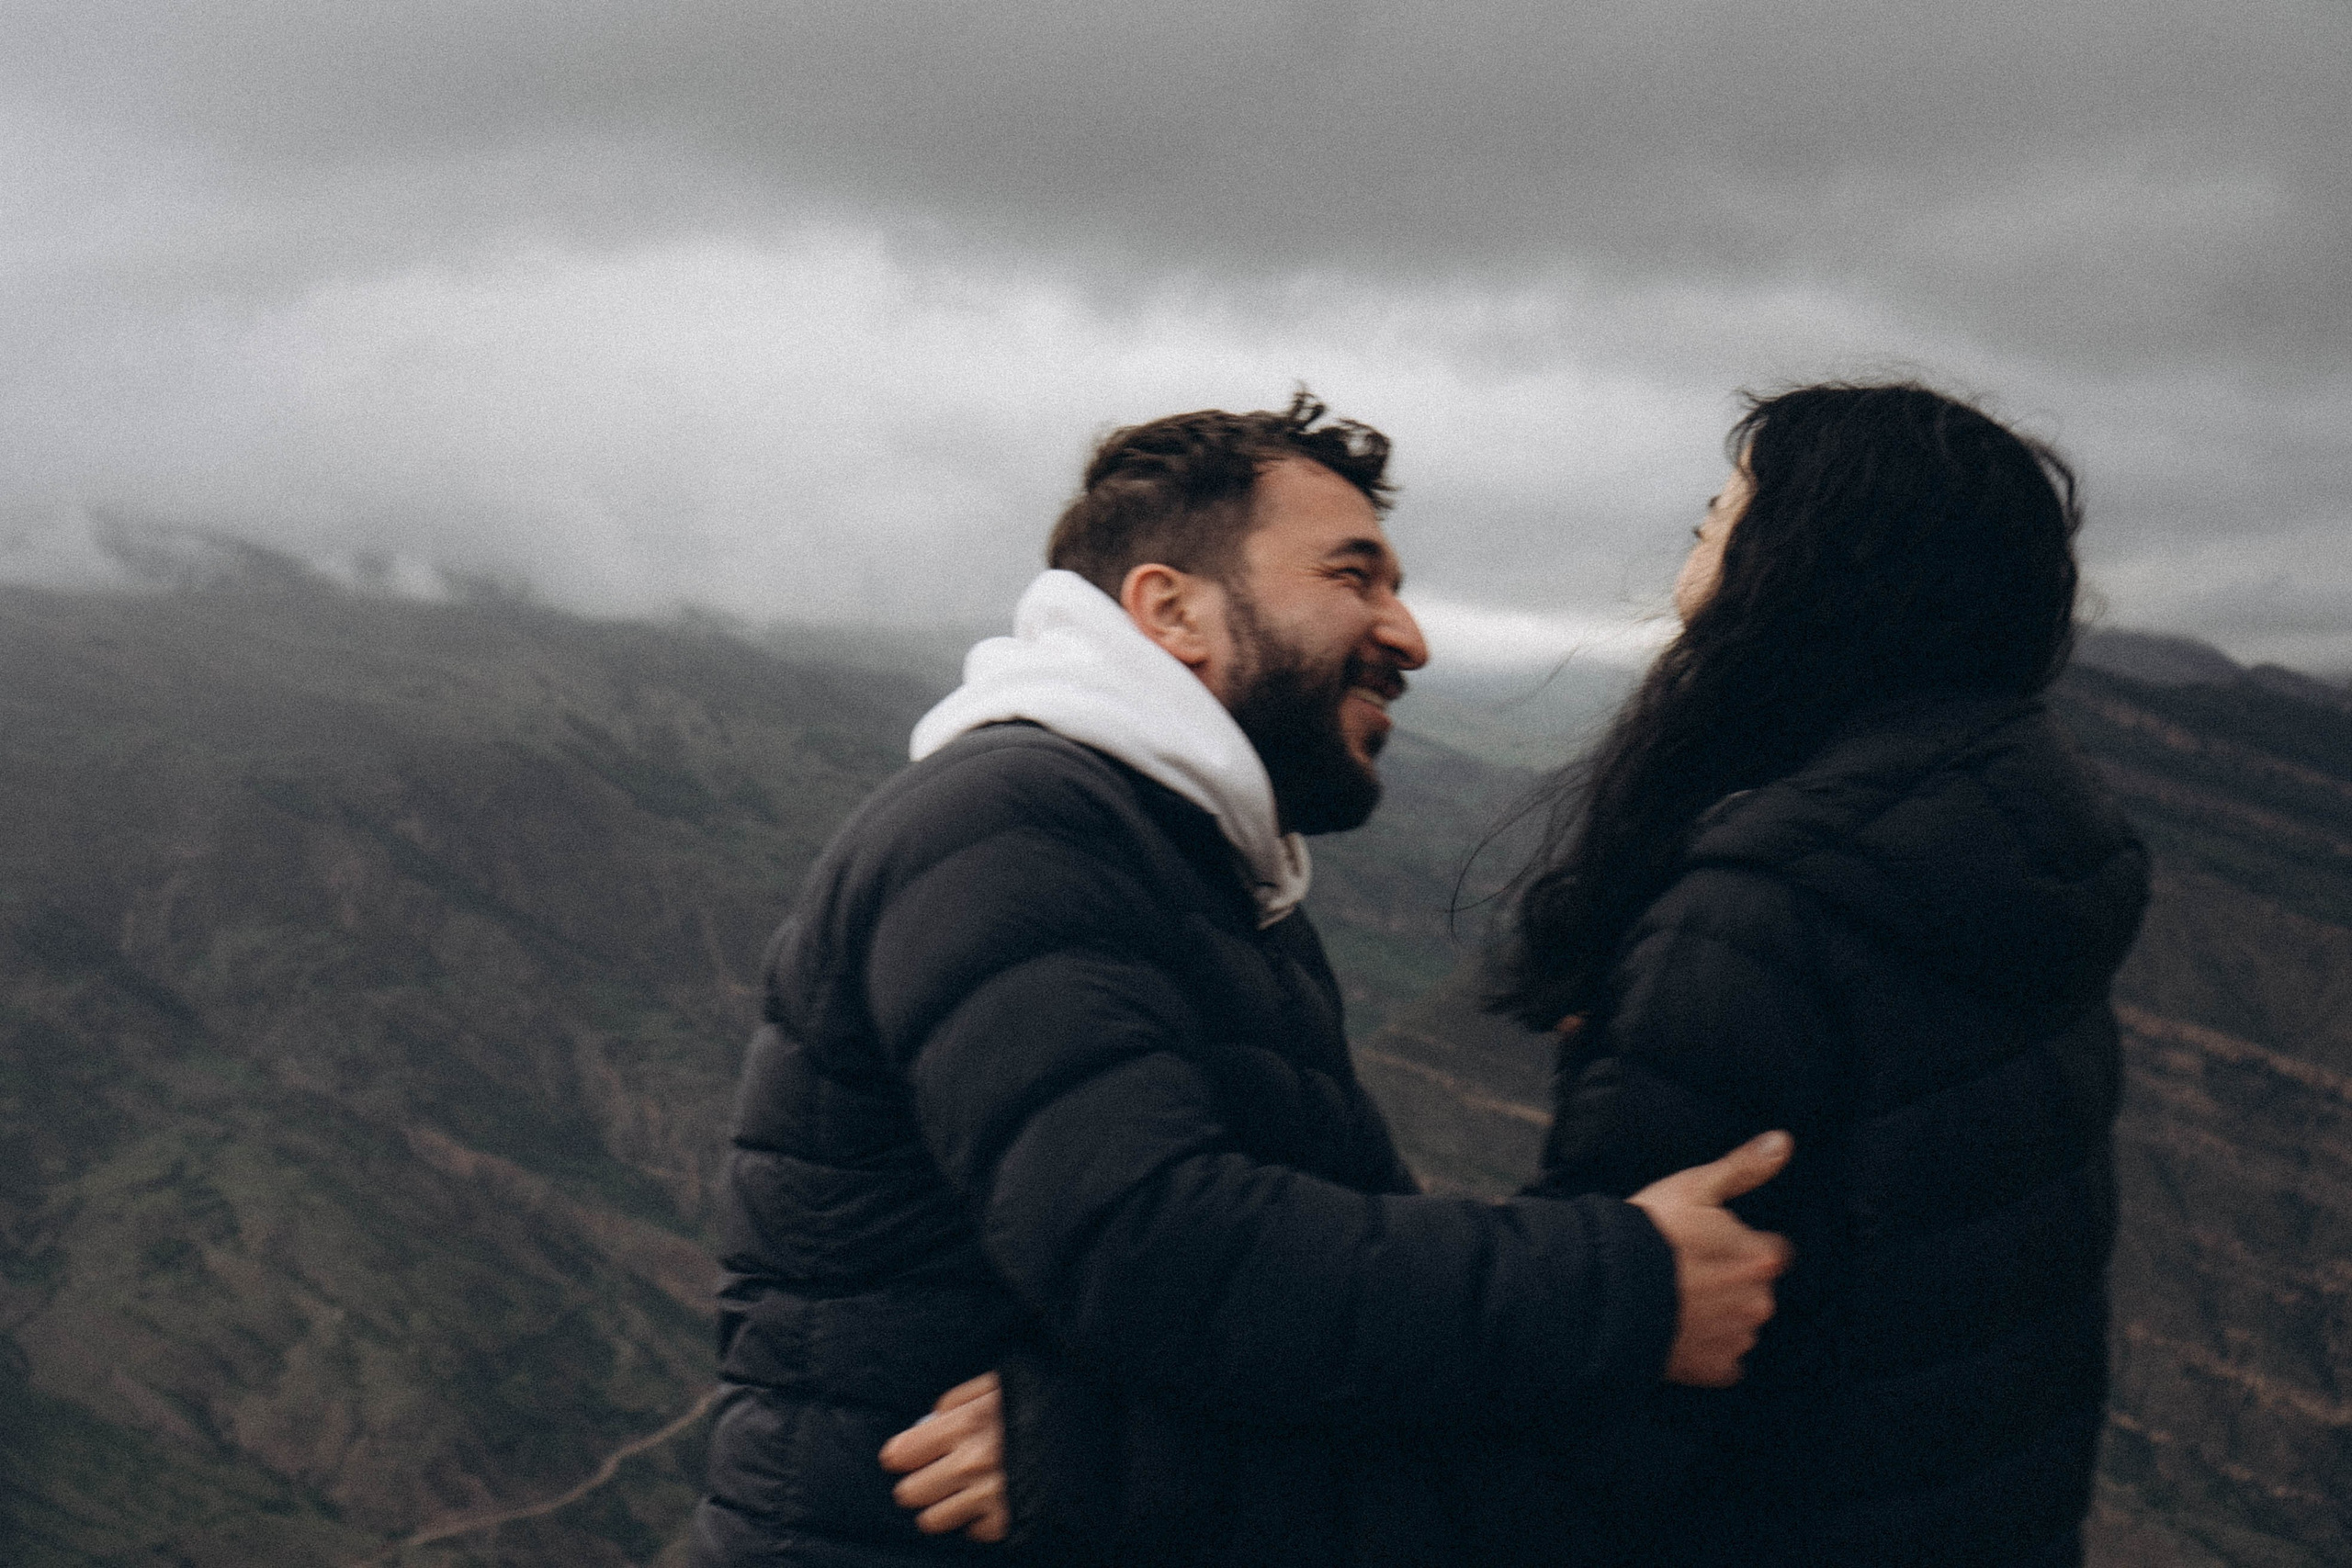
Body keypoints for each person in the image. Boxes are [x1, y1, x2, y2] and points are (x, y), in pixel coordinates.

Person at [688, 393, 1794, 1568]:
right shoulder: (1012, 825)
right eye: (1352, 576)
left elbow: (1313, 1280)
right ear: (1170, 610)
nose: (1408, 636)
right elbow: (1157, 1253)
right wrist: (1621, 1284)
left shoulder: (1195, 867)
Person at [1494, 382, 2150, 1566]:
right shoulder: (2023, 848)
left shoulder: (1764, 911)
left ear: (1804, 559)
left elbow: (1623, 1359)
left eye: (1724, 511)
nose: (1700, 530)